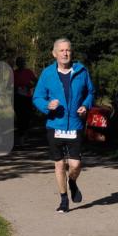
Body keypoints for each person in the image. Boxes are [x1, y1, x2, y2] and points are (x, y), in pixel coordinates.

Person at [32, 39, 95, 213]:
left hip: (75, 124)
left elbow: (90, 92)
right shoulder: (47, 74)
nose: (65, 53)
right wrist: (46, 105)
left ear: (71, 52)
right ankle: (63, 200)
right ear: (54, 54)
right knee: (59, 165)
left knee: (75, 165)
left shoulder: (81, 71)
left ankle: (72, 181)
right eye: (61, 50)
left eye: (68, 50)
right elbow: (37, 97)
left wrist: (86, 105)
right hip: (55, 124)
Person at [13, 56, 38, 141]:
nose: (21, 64)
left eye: (22, 62)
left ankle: (25, 131)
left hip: (27, 96)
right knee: (19, 115)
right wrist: (15, 88)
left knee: (27, 115)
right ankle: (21, 134)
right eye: (19, 62)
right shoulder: (13, 73)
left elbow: (36, 81)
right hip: (17, 96)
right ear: (17, 64)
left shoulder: (28, 72)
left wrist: (31, 86)